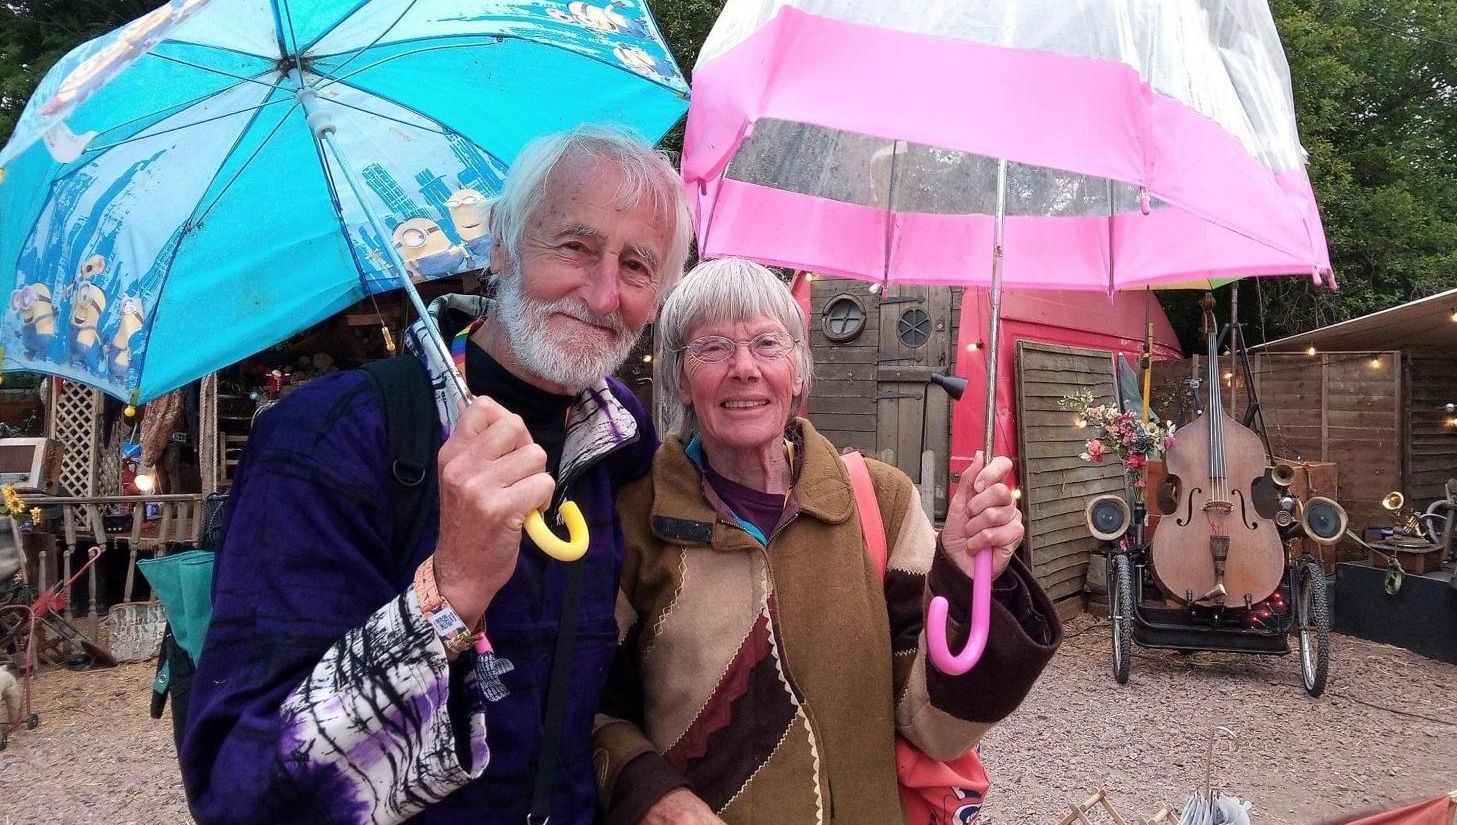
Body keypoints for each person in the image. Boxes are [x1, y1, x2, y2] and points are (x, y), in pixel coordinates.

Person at [182, 125, 693, 825]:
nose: (605, 295)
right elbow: (243, 789)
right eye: (575, 246)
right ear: (502, 246)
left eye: (637, 267)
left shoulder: (618, 440)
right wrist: (449, 590)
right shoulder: (325, 441)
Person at [594, 258, 1063, 824]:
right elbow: (589, 707)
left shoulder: (880, 503)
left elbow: (935, 728)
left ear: (799, 371)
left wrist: (965, 576)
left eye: (768, 344)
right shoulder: (635, 519)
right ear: (678, 378)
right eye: (713, 348)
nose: (745, 369)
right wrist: (651, 794)